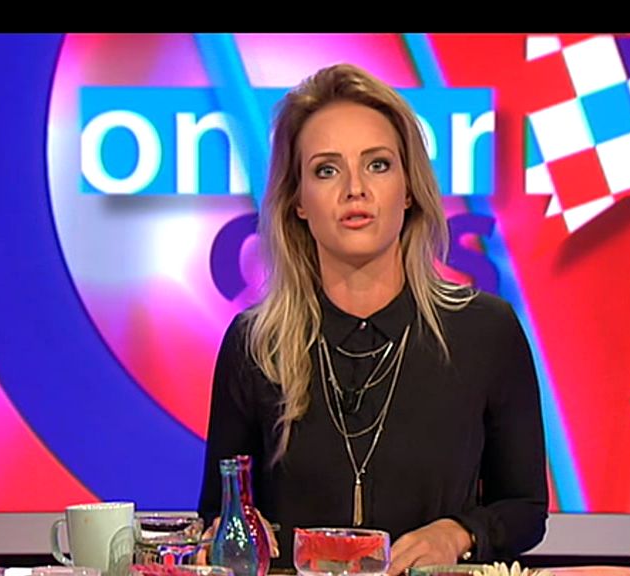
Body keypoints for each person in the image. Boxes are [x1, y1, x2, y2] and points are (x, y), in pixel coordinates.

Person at [198, 62, 548, 575]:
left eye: (378, 165)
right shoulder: (255, 344)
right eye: (327, 170)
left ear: (408, 190)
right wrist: (233, 534)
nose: (355, 188)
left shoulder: (485, 331)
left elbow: (523, 508)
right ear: (297, 200)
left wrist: (457, 533)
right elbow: (220, 514)